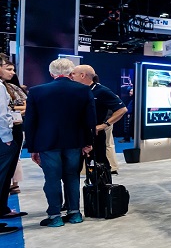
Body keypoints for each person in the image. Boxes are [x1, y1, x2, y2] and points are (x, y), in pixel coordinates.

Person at [23, 58, 96, 228]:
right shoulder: (83, 90)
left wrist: (33, 148)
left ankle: (55, 215)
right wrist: (88, 142)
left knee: (52, 178)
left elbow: (31, 122)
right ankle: (75, 213)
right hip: (75, 141)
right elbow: (90, 120)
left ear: (51, 73)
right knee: (72, 176)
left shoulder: (36, 91)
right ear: (71, 73)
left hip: (47, 143)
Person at [70, 65, 127, 169]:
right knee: (74, 167)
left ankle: (104, 184)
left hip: (95, 135)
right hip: (78, 135)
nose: (71, 76)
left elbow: (122, 109)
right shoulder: (76, 90)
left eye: (74, 73)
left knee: (100, 165)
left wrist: (104, 125)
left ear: (83, 75)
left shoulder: (101, 91)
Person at [0, 55, 27, 218]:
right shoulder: (1, 87)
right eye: (7, 68)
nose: (12, 73)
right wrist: (7, 138)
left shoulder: (7, 86)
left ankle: (3, 208)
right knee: (3, 175)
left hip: (8, 133)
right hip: (5, 136)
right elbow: (2, 116)